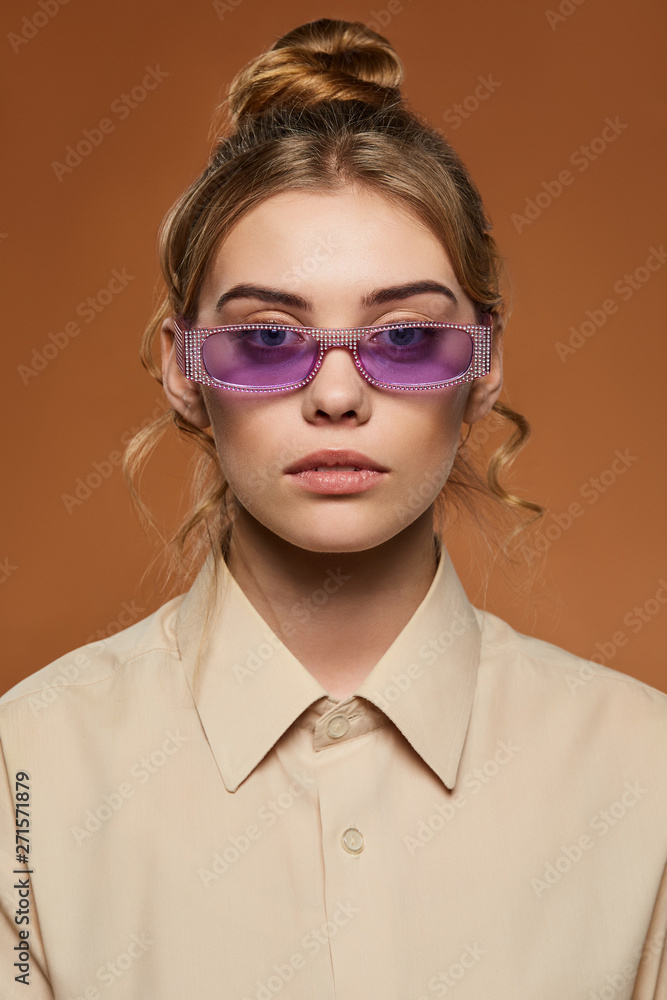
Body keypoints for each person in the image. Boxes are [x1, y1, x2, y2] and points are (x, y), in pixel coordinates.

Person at [1, 17, 665, 1000]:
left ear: (483, 365)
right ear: (186, 370)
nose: (338, 395)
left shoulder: (643, 773)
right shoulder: (28, 768)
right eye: (267, 338)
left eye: (404, 335)